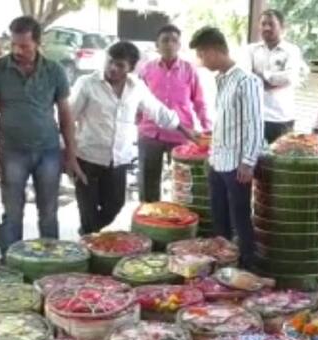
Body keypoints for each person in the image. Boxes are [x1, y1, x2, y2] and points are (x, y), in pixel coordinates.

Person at [0, 16, 85, 254]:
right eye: (14, 45)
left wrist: (71, 156)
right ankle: (12, 267)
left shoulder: (55, 70)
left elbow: (66, 116)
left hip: (48, 151)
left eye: (24, 46)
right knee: (13, 213)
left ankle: (50, 264)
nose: (17, 50)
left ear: (39, 44)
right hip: (11, 152)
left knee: (48, 212)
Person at [72, 41, 194, 234]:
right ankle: (89, 243)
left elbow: (159, 111)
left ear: (130, 67)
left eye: (120, 65)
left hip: (119, 160)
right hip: (87, 158)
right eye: (110, 61)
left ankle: (89, 235)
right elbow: (67, 118)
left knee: (115, 206)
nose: (112, 68)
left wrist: (187, 131)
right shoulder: (87, 84)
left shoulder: (136, 87)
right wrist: (67, 156)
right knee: (88, 212)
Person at [190, 27, 262, 270]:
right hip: (218, 160)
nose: (201, 60)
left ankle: (248, 266)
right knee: (218, 218)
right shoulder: (221, 80)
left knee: (240, 218)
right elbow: (228, 122)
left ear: (215, 50)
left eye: (203, 54)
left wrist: (248, 161)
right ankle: (224, 268)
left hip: (236, 164)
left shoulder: (246, 81)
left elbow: (254, 124)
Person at [138, 24, 210, 203]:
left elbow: (199, 101)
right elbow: (137, 101)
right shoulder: (147, 69)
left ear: (179, 45)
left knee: (183, 183)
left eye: (174, 40)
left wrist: (207, 127)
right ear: (157, 45)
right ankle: (150, 219)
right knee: (148, 182)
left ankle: (180, 222)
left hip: (182, 134)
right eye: (165, 40)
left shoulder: (189, 70)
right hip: (150, 134)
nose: (169, 44)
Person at [246, 9, 307, 144]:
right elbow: (245, 77)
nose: (266, 28)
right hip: (254, 116)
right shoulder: (251, 50)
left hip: (282, 117)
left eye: (271, 24)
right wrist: (273, 81)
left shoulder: (292, 50)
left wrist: (262, 75)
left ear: (282, 27)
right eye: (263, 24)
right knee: (253, 160)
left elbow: (289, 77)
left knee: (278, 161)